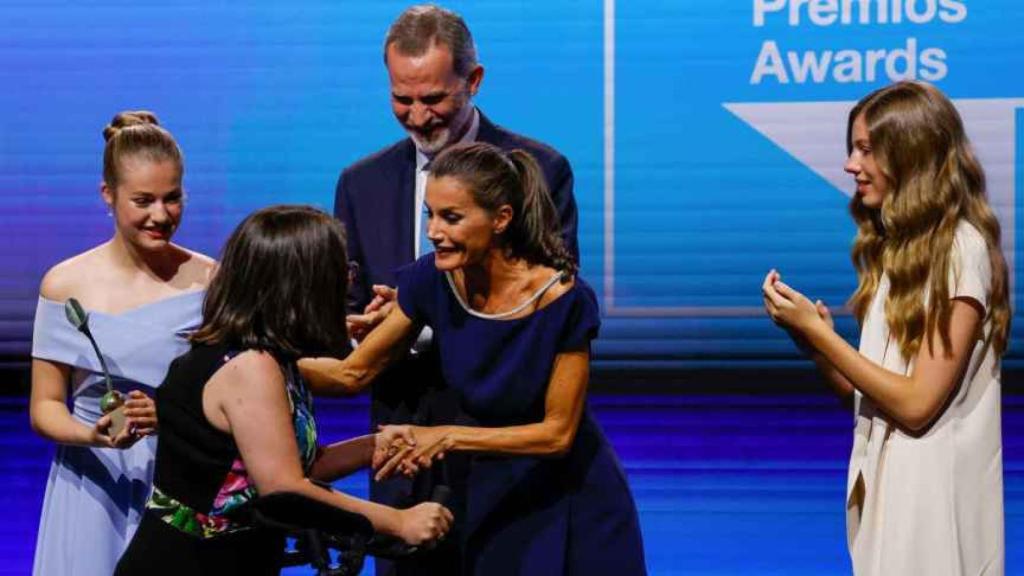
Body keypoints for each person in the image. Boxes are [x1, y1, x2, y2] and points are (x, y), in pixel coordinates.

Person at [304, 142, 646, 576]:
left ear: (501, 219)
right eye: (430, 214)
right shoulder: (431, 278)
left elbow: (557, 434)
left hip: (569, 495)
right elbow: (353, 373)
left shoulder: (565, 300)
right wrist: (255, 361)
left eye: (451, 217)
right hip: (489, 490)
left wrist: (445, 437)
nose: (433, 231)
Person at [334, 5, 580, 574]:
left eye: (434, 99)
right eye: (402, 99)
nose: (418, 116)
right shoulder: (359, 183)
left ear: (473, 81)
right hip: (401, 442)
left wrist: (421, 316)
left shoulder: (541, 170)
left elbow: (557, 302)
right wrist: (361, 325)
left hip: (505, 436)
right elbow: (343, 315)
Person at [114, 205, 452, 575]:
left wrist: (372, 446)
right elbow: (282, 488)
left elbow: (285, 464)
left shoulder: (272, 359)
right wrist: (399, 522)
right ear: (303, 285)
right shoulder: (249, 368)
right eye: (341, 272)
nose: (348, 283)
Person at [762, 81, 1009, 575]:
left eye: (866, 149)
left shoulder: (960, 249)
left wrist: (824, 336)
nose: (851, 165)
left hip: (932, 505)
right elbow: (872, 400)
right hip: (889, 488)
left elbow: (917, 404)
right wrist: (814, 346)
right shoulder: (898, 253)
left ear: (909, 154)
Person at [28, 111, 215, 576]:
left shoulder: (211, 280)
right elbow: (46, 405)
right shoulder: (65, 283)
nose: (161, 215)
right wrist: (91, 435)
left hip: (181, 481)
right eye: (143, 200)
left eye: (173, 199)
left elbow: (229, 394)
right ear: (107, 196)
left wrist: (173, 418)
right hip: (93, 484)